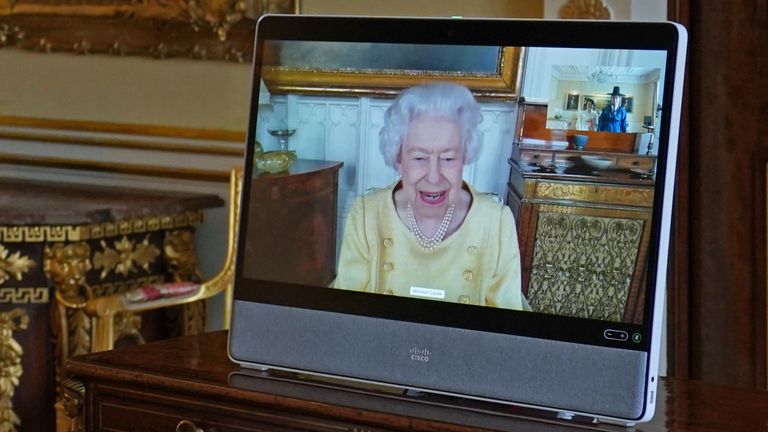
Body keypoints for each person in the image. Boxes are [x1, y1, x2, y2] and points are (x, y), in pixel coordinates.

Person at [334, 82, 525, 310]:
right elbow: (347, 313)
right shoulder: (367, 215)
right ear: (398, 158)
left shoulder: (495, 222)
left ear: (465, 158)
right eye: (419, 158)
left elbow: (505, 329)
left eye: (448, 158)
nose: (434, 177)